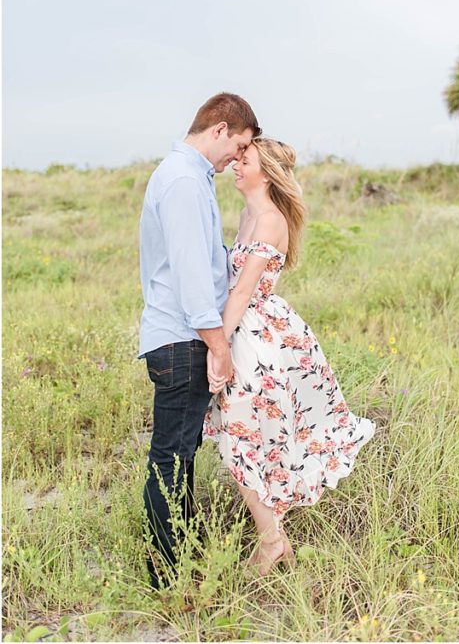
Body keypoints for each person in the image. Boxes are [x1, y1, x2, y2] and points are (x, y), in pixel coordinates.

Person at [203, 138, 375, 575]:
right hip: (247, 328)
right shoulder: (247, 214)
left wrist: (217, 348)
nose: (236, 166)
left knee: (242, 436)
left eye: (245, 160)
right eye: (237, 158)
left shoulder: (271, 220)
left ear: (267, 172)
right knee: (243, 435)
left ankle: (271, 539)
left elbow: (242, 292)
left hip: (257, 338)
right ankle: (273, 535)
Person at [139, 92, 259, 588]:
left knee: (179, 456)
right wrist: (219, 346)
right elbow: (192, 279)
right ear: (219, 129)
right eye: (239, 145)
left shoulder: (185, 176)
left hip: (178, 338)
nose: (237, 157)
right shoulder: (185, 181)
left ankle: (182, 557)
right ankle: (167, 575)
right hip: (185, 341)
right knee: (170, 458)